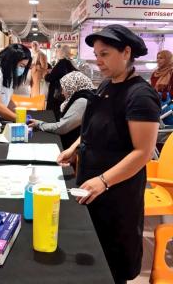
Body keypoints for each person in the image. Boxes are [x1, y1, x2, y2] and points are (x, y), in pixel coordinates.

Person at [57, 24, 160, 284]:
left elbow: (143, 152)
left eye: (105, 54)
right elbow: (93, 127)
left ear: (126, 52)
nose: (98, 60)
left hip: (118, 194)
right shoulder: (105, 86)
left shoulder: (140, 96)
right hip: (92, 185)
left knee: (113, 264)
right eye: (96, 54)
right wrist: (72, 148)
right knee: (93, 252)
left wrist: (104, 181)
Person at [30, 71, 94, 149]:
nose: (62, 93)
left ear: (72, 87)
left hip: (70, 147)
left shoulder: (82, 101)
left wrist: (39, 124)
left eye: (64, 89)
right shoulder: (83, 97)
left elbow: (62, 128)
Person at [45, 45, 78, 118]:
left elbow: (51, 78)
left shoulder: (61, 63)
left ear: (61, 52)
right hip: (66, 94)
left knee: (54, 115)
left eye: (58, 51)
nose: (57, 53)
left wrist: (47, 74)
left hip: (57, 94)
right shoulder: (71, 63)